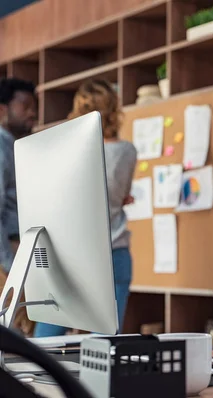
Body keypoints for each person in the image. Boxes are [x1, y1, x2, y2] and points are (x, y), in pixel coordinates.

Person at [34, 79, 137, 337]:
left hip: (73, 256)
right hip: (115, 253)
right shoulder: (127, 151)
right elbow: (119, 195)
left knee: (44, 345)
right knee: (103, 347)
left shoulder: (67, 150)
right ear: (114, 109)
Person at [0, 78, 38, 336]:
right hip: (8, 261)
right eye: (25, 105)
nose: (33, 112)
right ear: (3, 110)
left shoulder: (19, 146)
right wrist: (7, 269)